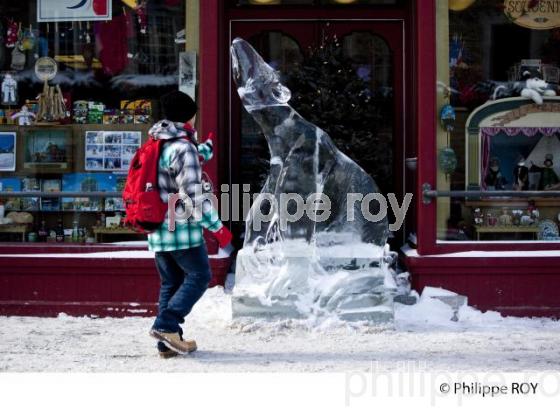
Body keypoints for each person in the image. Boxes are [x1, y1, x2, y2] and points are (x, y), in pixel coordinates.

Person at [148, 90, 232, 358]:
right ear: (190, 115)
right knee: (200, 276)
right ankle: (165, 324)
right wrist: (217, 228)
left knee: (170, 283)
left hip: (158, 228)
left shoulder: (159, 142)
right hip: (181, 229)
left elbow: (177, 166)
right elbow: (193, 194)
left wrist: (203, 150)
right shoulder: (184, 147)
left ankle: (167, 343)